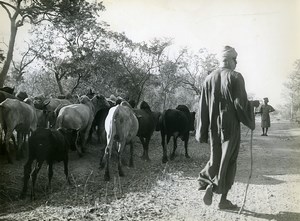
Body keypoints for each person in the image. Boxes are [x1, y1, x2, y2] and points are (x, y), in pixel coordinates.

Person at [195, 46, 259, 210]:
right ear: (230, 60)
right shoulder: (235, 77)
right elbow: (240, 104)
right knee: (229, 160)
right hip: (230, 126)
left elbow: (202, 106)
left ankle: (206, 180)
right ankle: (222, 199)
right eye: (235, 60)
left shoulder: (209, 78)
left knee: (215, 157)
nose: (236, 63)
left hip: (213, 127)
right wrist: (252, 108)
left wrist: (201, 130)